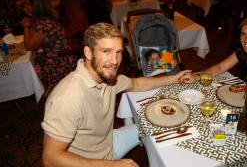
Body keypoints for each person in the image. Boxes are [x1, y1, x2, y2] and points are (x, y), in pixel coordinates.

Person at [41, 22, 191, 166]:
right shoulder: (66, 98)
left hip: (109, 142)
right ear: (88, 53)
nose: (114, 61)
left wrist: (174, 78)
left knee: (159, 121)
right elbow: (50, 159)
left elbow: (136, 83)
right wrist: (109, 165)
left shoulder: (106, 77)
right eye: (106, 51)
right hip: (87, 161)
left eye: (118, 52)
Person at [180, 16, 247, 107]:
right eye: (243, 34)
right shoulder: (244, 51)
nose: (246, 40)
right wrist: (197, 76)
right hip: (246, 98)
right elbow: (220, 67)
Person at [21, 0, 79, 93]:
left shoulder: (42, 24)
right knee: (29, 61)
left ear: (35, 5)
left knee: (26, 69)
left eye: (28, 3)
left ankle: (42, 92)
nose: (25, 6)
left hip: (59, 63)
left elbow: (29, 46)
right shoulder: (45, 19)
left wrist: (25, 26)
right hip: (64, 58)